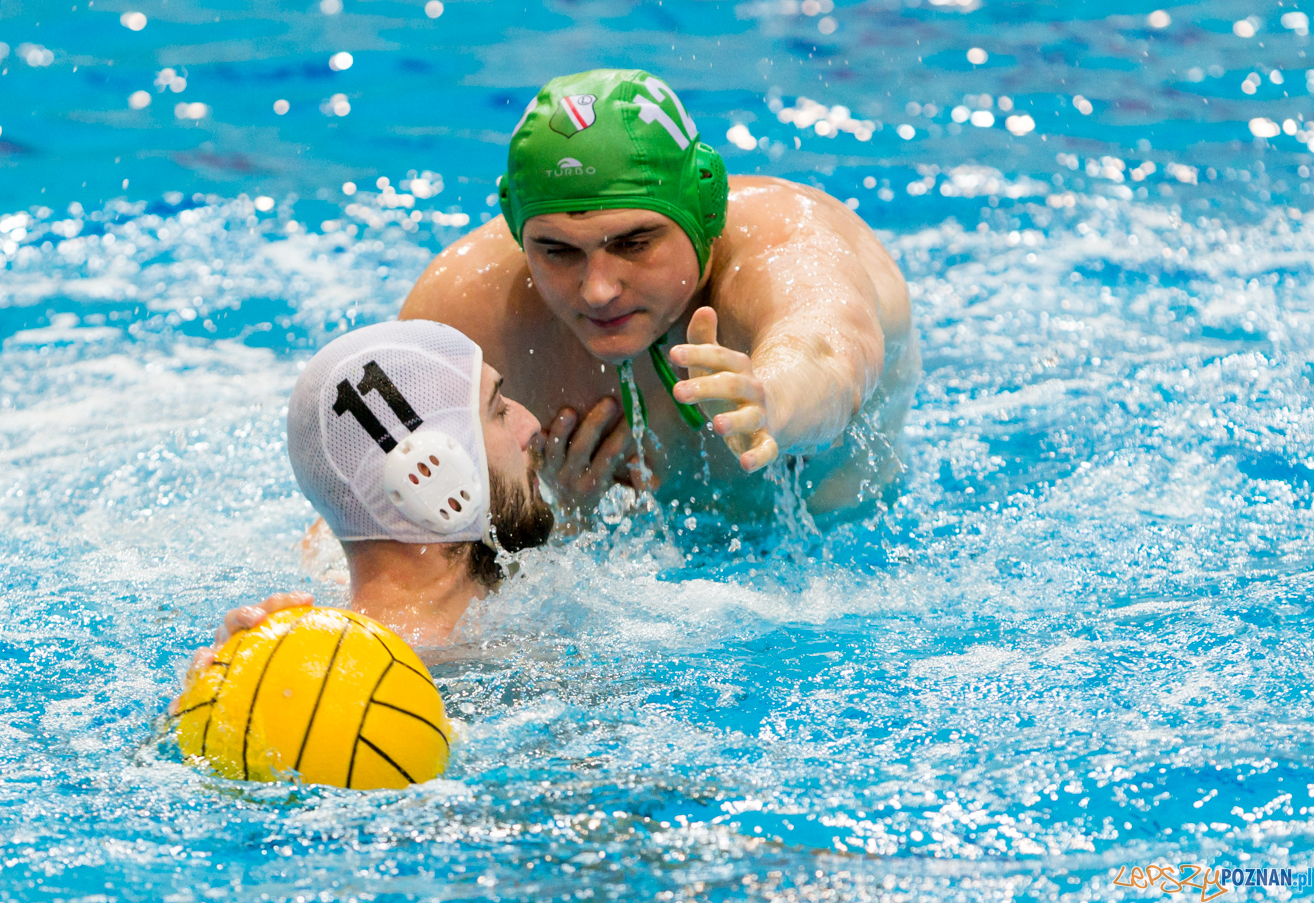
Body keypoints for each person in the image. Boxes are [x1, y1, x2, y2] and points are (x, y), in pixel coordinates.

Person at [399, 68, 920, 529]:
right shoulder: (466, 310)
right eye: (557, 251)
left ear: (706, 209)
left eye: (634, 243)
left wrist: (771, 401)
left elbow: (829, 349)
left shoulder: (789, 245)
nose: (597, 289)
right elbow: (376, 508)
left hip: (842, 551)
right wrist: (553, 521)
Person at [172, 320, 553, 705]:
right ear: (430, 474)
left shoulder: (339, 622)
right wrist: (214, 706)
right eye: (498, 410)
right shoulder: (366, 684)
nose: (531, 425)